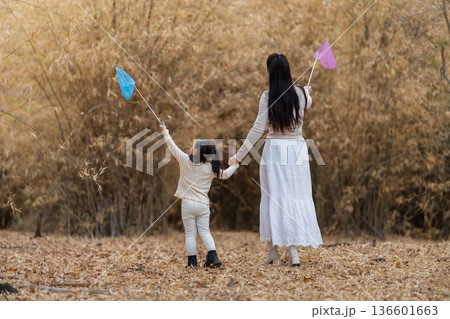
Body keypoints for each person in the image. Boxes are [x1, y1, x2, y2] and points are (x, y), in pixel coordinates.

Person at [228, 53, 322, 266]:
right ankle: (294, 251)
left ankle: (273, 251)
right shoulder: (301, 94)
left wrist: (239, 156)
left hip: (275, 151)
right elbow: (309, 103)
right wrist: (307, 93)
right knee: (294, 196)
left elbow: (257, 129)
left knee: (273, 198)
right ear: (288, 70)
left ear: (270, 72)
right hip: (297, 150)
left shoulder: (267, 96)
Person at [160, 123, 239, 268]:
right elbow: (226, 174)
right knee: (205, 232)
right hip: (203, 205)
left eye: (193, 146)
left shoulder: (184, 161)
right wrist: (235, 164)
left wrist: (165, 132)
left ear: (195, 151)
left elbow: (172, 146)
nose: (191, 147)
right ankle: (213, 255)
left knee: (190, 234)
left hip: (188, 204)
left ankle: (192, 263)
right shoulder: (211, 168)